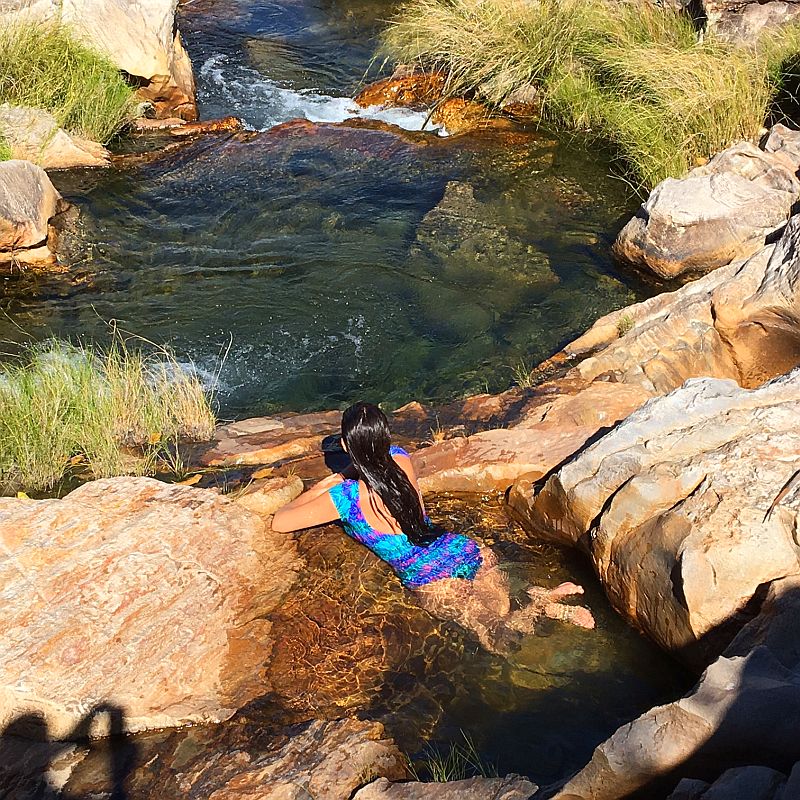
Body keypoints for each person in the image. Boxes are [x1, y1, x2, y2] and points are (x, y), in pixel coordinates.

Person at [272, 402, 594, 655]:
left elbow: (281, 520)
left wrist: (331, 480)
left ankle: (543, 605)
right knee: (500, 608)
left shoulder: (345, 498)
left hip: (429, 576)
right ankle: (542, 600)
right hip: (461, 549)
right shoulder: (401, 458)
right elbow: (379, 465)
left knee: (496, 637)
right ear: (386, 436)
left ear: (347, 446)